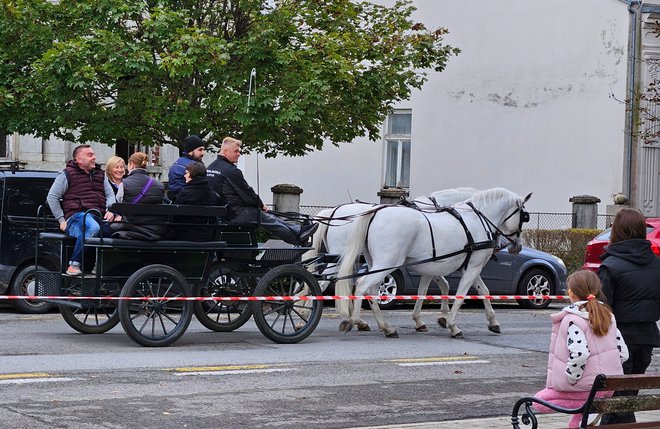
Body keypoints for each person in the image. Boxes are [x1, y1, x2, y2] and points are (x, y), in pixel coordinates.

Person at [532, 270, 628, 428]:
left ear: (571, 292)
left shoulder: (572, 319)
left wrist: (572, 379)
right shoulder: (608, 317)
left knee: (538, 402)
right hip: (608, 386)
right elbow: (623, 353)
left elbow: (580, 354)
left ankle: (586, 412)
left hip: (583, 389)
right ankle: (585, 418)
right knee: (582, 411)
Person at [598, 208, 660, 425]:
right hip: (646, 340)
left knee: (617, 401)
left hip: (617, 342)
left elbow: (602, 310)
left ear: (617, 231)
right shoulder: (656, 264)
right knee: (627, 399)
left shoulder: (610, 266)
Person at [207, 136, 317, 245]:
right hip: (233, 213)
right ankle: (297, 238)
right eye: (236, 151)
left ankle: (298, 230)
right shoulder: (231, 171)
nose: (239, 154)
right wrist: (260, 205)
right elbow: (247, 193)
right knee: (264, 217)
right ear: (225, 151)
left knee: (268, 216)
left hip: (220, 213)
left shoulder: (211, 168)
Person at [46, 144, 116, 276]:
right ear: (79, 160)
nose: (94, 157)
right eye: (90, 155)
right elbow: (52, 197)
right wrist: (61, 219)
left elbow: (110, 195)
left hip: (98, 217)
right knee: (93, 227)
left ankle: (104, 271)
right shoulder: (66, 174)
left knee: (116, 231)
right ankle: (74, 264)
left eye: (94, 154)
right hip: (76, 216)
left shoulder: (100, 175)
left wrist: (111, 210)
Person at [112, 152, 167, 240]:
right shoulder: (159, 185)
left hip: (132, 227)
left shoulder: (124, 184)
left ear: (132, 164)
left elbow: (119, 202)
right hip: (155, 229)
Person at [170, 162, 222, 241]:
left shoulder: (184, 193)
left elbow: (174, 215)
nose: (184, 176)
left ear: (192, 174)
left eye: (186, 173)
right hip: (208, 234)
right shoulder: (213, 194)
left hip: (184, 234)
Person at [167, 135, 206, 201]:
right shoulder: (193, 167)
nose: (203, 153)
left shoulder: (178, 163)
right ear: (190, 151)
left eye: (203, 149)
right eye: (200, 150)